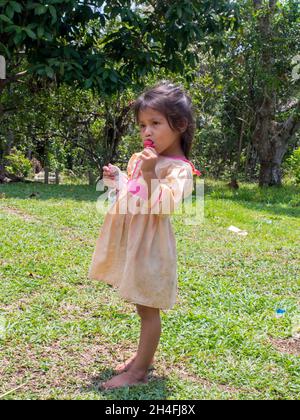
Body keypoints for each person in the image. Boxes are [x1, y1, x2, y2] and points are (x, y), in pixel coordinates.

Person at [88, 80, 201, 390]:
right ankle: (143, 358)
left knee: (148, 307)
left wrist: (152, 174)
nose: (146, 132)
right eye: (142, 125)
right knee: (139, 302)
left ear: (179, 125)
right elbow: (132, 192)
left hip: (151, 247)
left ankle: (139, 371)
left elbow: (162, 206)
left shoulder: (179, 169)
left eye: (155, 123)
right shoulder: (140, 159)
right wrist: (117, 179)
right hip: (133, 242)